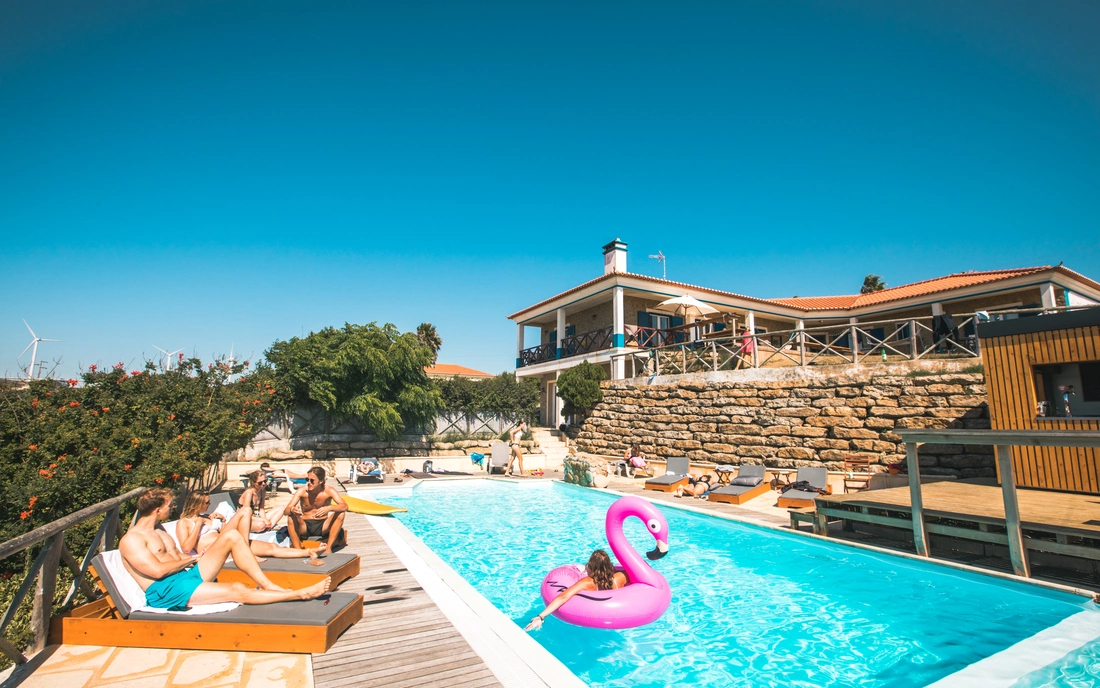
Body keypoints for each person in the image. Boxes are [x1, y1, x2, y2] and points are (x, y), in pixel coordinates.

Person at [119, 488, 330, 609]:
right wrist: (191, 559)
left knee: (231, 535)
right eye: (168, 506)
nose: (172, 508)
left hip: (186, 575)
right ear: (157, 510)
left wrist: (198, 557)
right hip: (166, 590)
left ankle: (268, 585)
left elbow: (177, 555)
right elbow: (157, 571)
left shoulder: (161, 530)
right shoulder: (132, 540)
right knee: (237, 589)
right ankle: (300, 594)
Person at [175, 490, 324, 563]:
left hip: (227, 541)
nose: (209, 505)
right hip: (215, 549)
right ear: (197, 504)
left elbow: (221, 532)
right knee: (245, 510)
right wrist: (198, 524)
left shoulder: (207, 517)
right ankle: (246, 553)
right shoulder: (184, 523)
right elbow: (187, 548)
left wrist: (222, 521)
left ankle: (309, 552)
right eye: (206, 503)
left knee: (272, 548)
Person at [525, 550, 626, 631]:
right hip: (617, 617)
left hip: (590, 621)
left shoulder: (587, 582)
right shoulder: (620, 577)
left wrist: (541, 616)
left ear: (591, 567)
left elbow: (563, 597)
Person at [286, 467, 348, 551]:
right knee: (290, 516)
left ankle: (328, 548)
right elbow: (285, 511)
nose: (308, 483)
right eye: (307, 479)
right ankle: (298, 550)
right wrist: (292, 510)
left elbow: (344, 506)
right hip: (305, 525)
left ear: (321, 481)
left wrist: (329, 508)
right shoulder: (302, 491)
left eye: (312, 480)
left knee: (341, 513)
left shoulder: (328, 491)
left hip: (323, 525)